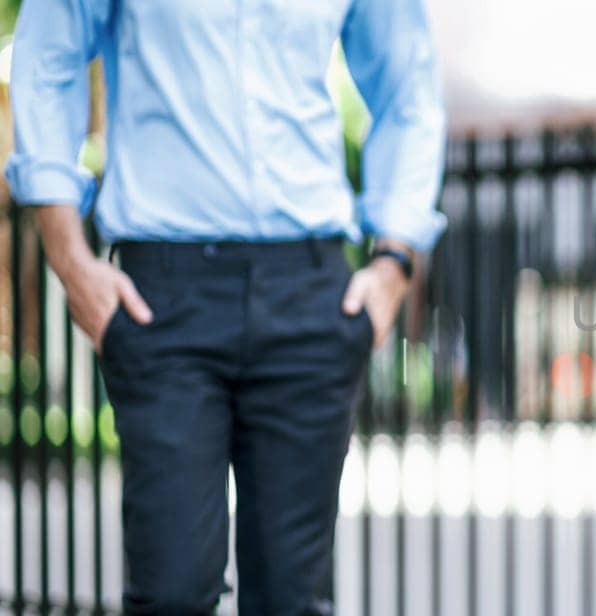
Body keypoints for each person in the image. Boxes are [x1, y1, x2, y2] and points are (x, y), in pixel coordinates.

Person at [5, 0, 445, 612]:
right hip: (164, 297)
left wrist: (394, 261)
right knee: (171, 596)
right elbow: (47, 57)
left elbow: (408, 86)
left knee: (293, 601)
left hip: (309, 290)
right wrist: (70, 259)